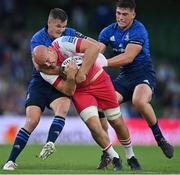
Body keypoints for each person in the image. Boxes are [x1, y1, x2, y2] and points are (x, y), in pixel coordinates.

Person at [2, 8, 98, 171]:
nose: (61, 30)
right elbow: (39, 66)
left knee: (63, 109)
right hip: (40, 84)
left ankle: (50, 143)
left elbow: (96, 46)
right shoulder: (38, 39)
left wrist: (84, 59)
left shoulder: (70, 33)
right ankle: (11, 160)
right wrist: (66, 68)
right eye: (58, 26)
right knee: (32, 121)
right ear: (49, 23)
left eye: (64, 26)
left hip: (60, 83)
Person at [33, 35, 141, 171]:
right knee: (93, 125)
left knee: (116, 121)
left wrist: (81, 73)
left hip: (100, 81)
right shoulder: (44, 71)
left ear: (50, 50)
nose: (48, 64)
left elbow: (93, 48)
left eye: (47, 60)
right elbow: (68, 91)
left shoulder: (61, 43)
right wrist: (71, 78)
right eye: (44, 64)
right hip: (81, 92)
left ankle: (131, 156)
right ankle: (114, 157)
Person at [98, 0, 174, 159]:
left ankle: (160, 139)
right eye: (118, 13)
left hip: (143, 74)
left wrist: (104, 62)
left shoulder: (139, 29)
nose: (121, 17)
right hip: (124, 77)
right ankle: (107, 151)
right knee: (103, 104)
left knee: (138, 101)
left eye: (125, 14)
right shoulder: (107, 31)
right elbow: (97, 51)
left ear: (133, 14)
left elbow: (128, 57)